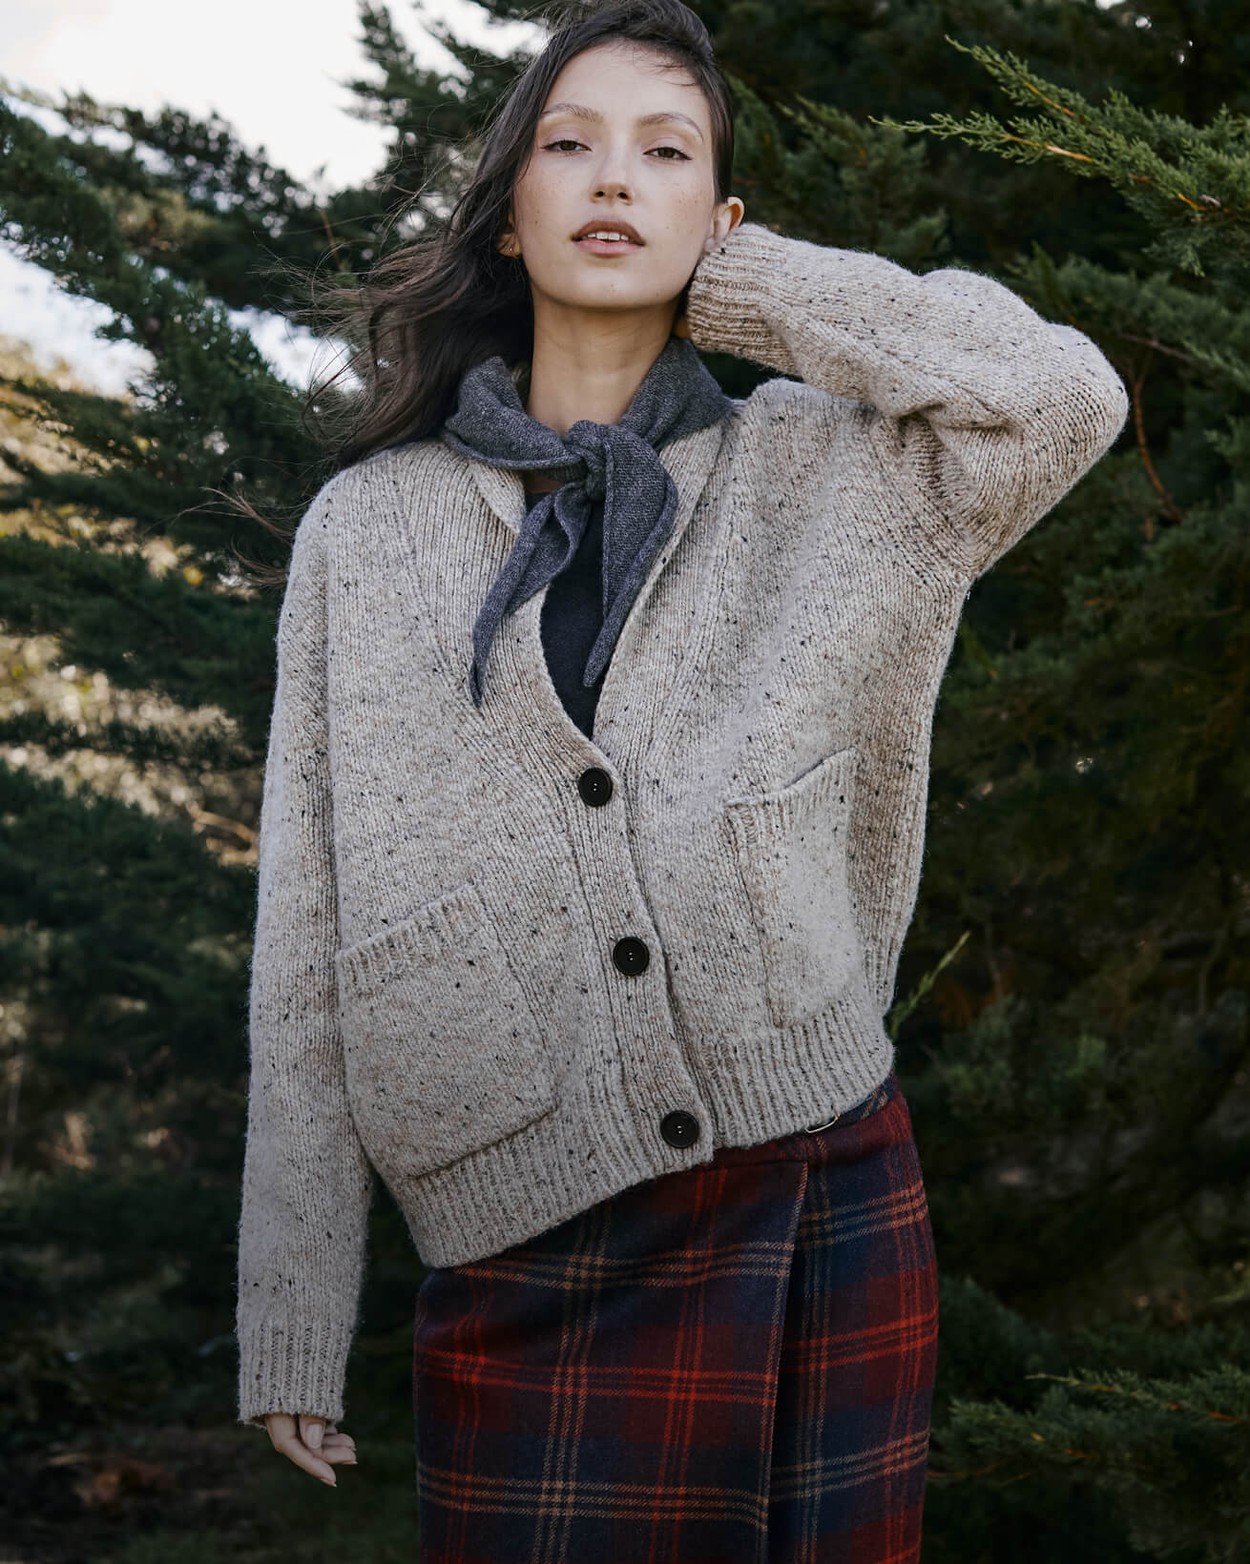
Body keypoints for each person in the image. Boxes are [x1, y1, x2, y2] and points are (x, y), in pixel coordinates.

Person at [234, 0, 1129, 1558]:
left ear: (718, 218)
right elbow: (305, 935)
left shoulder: (837, 470)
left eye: (664, 154)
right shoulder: (367, 532)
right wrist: (293, 1307)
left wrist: (755, 284)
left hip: (814, 1184)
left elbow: (1064, 397)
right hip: (523, 1231)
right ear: (506, 212)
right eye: (568, 145)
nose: (611, 179)